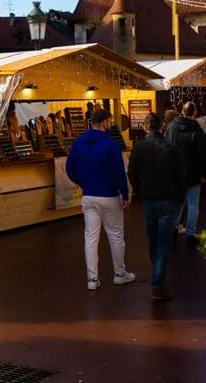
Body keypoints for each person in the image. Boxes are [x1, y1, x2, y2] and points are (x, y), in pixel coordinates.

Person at [65, 108, 136, 290]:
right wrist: (124, 193)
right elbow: (119, 172)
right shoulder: (110, 145)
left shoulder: (78, 143)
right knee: (116, 236)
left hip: (88, 196)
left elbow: (70, 169)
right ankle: (120, 273)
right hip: (109, 196)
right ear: (105, 123)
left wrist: (83, 183)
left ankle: (92, 279)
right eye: (109, 122)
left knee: (90, 237)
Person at [128, 113, 187, 300]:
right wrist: (180, 197)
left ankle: (158, 273)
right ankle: (158, 281)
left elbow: (132, 173)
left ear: (145, 127)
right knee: (164, 242)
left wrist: (140, 190)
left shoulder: (138, 148)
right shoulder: (171, 148)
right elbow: (181, 176)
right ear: (161, 126)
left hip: (148, 199)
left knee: (152, 239)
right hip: (169, 199)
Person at [165, 101, 206, 244]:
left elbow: (166, 149)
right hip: (193, 172)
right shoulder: (196, 130)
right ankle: (190, 234)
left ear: (182, 112)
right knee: (193, 204)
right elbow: (203, 154)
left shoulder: (171, 128)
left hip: (175, 173)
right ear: (194, 113)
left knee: (178, 203)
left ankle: (173, 229)